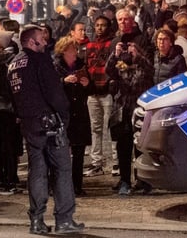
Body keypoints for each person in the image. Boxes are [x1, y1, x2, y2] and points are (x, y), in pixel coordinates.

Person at [8, 25, 85, 236]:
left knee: (37, 172)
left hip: (29, 124)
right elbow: (55, 93)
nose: (45, 42)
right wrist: (64, 115)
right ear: (32, 42)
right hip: (50, 124)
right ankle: (64, 219)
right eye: (42, 39)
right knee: (62, 170)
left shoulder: (13, 64)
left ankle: (36, 220)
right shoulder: (40, 61)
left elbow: (12, 97)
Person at [106, 35, 154, 196]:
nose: (129, 52)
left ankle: (142, 180)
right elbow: (109, 71)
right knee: (123, 148)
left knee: (139, 147)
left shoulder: (143, 66)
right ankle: (124, 180)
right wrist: (115, 54)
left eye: (131, 48)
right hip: (122, 111)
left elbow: (146, 74)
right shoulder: (120, 65)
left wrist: (137, 57)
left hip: (139, 111)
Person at [54, 35, 92, 196]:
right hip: (64, 113)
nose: (75, 52)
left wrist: (87, 85)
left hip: (79, 113)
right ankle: (60, 185)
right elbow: (51, 89)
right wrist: (64, 81)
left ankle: (77, 185)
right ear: (63, 51)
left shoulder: (81, 65)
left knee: (78, 152)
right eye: (72, 49)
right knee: (61, 152)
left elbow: (91, 90)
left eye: (76, 49)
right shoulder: (56, 67)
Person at [0, 29, 21, 195]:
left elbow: (13, 87)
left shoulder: (10, 61)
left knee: (9, 145)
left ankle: (11, 178)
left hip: (8, 108)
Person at [84, 15, 115, 178]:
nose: (100, 28)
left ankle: (115, 162)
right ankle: (96, 163)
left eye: (103, 25)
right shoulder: (89, 45)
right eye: (97, 25)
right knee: (95, 129)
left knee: (110, 127)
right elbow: (86, 65)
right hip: (93, 91)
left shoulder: (111, 44)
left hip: (107, 91)